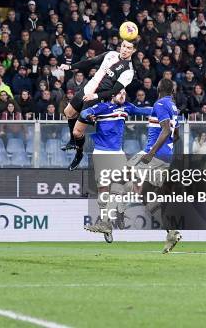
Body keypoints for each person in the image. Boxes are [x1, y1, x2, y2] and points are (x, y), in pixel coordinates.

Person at [80, 89, 152, 242]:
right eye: (120, 93)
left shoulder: (127, 107)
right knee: (103, 193)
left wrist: (162, 109)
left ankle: (115, 213)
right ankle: (107, 224)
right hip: (100, 153)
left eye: (125, 94)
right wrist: (89, 116)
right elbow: (85, 112)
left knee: (126, 185)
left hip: (117, 153)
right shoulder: (103, 107)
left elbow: (144, 110)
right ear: (112, 95)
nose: (123, 96)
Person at [59, 39, 136, 170]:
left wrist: (95, 96)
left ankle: (79, 154)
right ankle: (72, 141)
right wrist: (70, 67)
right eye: (123, 46)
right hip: (88, 88)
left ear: (134, 50)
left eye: (129, 48)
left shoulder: (128, 70)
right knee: (68, 112)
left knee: (78, 132)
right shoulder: (110, 54)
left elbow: (113, 91)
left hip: (97, 98)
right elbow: (91, 62)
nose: (125, 50)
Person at [125, 78, 182, 253]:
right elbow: (176, 134)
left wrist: (151, 153)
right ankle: (171, 232)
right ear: (172, 90)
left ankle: (108, 217)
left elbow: (166, 130)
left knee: (125, 171)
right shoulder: (173, 107)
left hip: (154, 154)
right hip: (166, 157)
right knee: (146, 195)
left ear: (158, 88)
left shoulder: (160, 104)